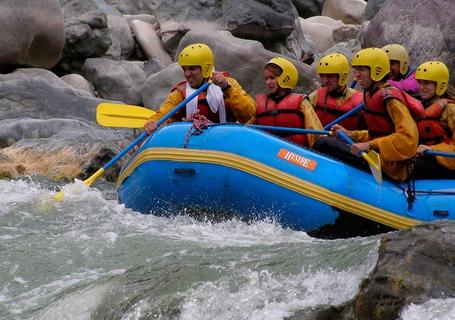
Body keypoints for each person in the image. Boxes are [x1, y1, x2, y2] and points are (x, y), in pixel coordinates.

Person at [313, 48, 419, 182]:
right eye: (355, 70)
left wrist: (370, 145)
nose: (356, 76)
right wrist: (351, 134)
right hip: (378, 157)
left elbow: (408, 138)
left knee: (324, 144)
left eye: (362, 70)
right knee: (329, 142)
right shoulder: (372, 94)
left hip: (391, 166)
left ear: (377, 70)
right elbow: (377, 133)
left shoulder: (390, 98)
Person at [143, 43, 255, 134]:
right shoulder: (180, 93)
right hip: (194, 146)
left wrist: (226, 88)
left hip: (224, 142)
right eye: (185, 69)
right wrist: (152, 122)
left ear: (205, 68)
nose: (187, 74)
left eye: (192, 69)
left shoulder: (229, 85)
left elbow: (247, 114)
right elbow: (163, 114)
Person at [251, 57, 323, 147]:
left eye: (272, 78)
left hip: (294, 155)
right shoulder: (258, 103)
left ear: (286, 78)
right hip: (266, 153)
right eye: (266, 78)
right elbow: (247, 129)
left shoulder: (301, 103)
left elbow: (315, 134)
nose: (268, 82)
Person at [412, 61, 455, 178]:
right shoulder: (418, 107)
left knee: (407, 166)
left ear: (440, 85)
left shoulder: (451, 110)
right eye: (420, 83)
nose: (421, 87)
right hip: (424, 158)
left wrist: (431, 149)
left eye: (426, 83)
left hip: (444, 162)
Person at [308, 53, 363, 130]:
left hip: (348, 140)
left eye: (330, 76)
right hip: (321, 139)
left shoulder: (360, 101)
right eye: (322, 76)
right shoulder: (315, 96)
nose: (325, 81)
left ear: (342, 76)